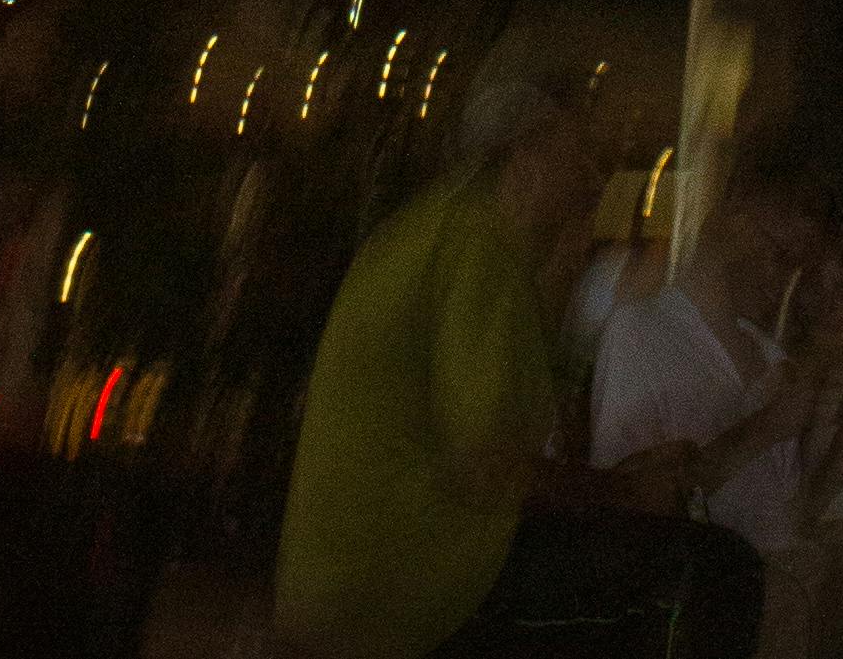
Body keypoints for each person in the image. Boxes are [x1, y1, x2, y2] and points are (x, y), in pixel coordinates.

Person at [275, 78, 765, 658]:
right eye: (582, 154)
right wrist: (620, 491)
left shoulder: (458, 233)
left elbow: (516, 440)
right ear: (527, 156)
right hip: (402, 590)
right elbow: (488, 470)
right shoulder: (476, 248)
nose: (596, 178)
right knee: (712, 573)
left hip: (378, 575)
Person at [589, 151, 843, 554]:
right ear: (736, 218)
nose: (786, 281)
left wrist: (836, 468)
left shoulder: (774, 362)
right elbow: (626, 510)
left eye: (800, 268)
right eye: (781, 255)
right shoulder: (641, 333)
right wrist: (768, 427)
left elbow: (780, 526)